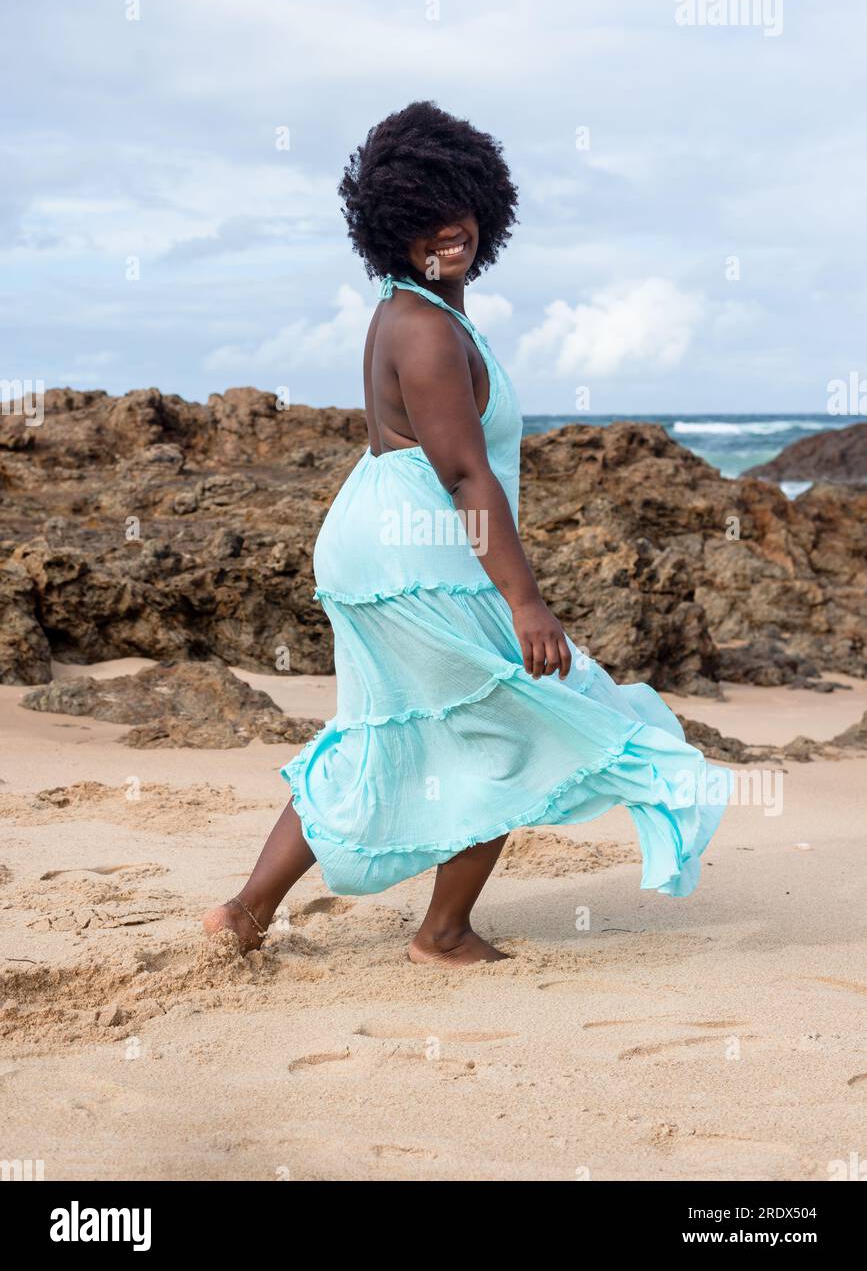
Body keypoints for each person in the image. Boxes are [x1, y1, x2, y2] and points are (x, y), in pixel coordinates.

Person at [204, 101, 729, 966]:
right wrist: (525, 600)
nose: (450, 233)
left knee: (386, 729)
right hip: (415, 554)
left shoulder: (418, 312)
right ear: (392, 229)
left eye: (460, 212)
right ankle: (440, 934)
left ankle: (245, 914)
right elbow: (460, 471)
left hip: (392, 545)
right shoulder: (422, 326)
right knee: (508, 724)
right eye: (426, 221)